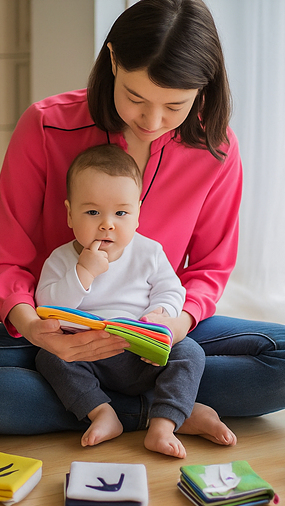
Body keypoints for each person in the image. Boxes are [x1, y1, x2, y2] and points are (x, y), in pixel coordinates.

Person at [0, 0, 285, 438]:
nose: (152, 120)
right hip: (60, 333)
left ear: (203, 88)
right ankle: (165, 409)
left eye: (175, 105)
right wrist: (34, 329)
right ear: (113, 60)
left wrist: (175, 325)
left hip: (157, 336)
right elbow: (5, 261)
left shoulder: (216, 147)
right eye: (135, 97)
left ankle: (108, 407)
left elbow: (209, 269)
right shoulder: (46, 126)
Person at [35, 144, 235, 458]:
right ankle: (102, 412)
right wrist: (83, 273)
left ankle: (164, 424)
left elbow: (172, 290)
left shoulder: (149, 252)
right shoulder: (61, 259)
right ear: (70, 214)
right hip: (87, 354)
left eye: (121, 213)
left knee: (190, 352)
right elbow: (48, 308)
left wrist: (161, 316)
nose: (107, 224)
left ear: (137, 214)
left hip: (143, 353)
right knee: (47, 358)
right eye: (92, 212)